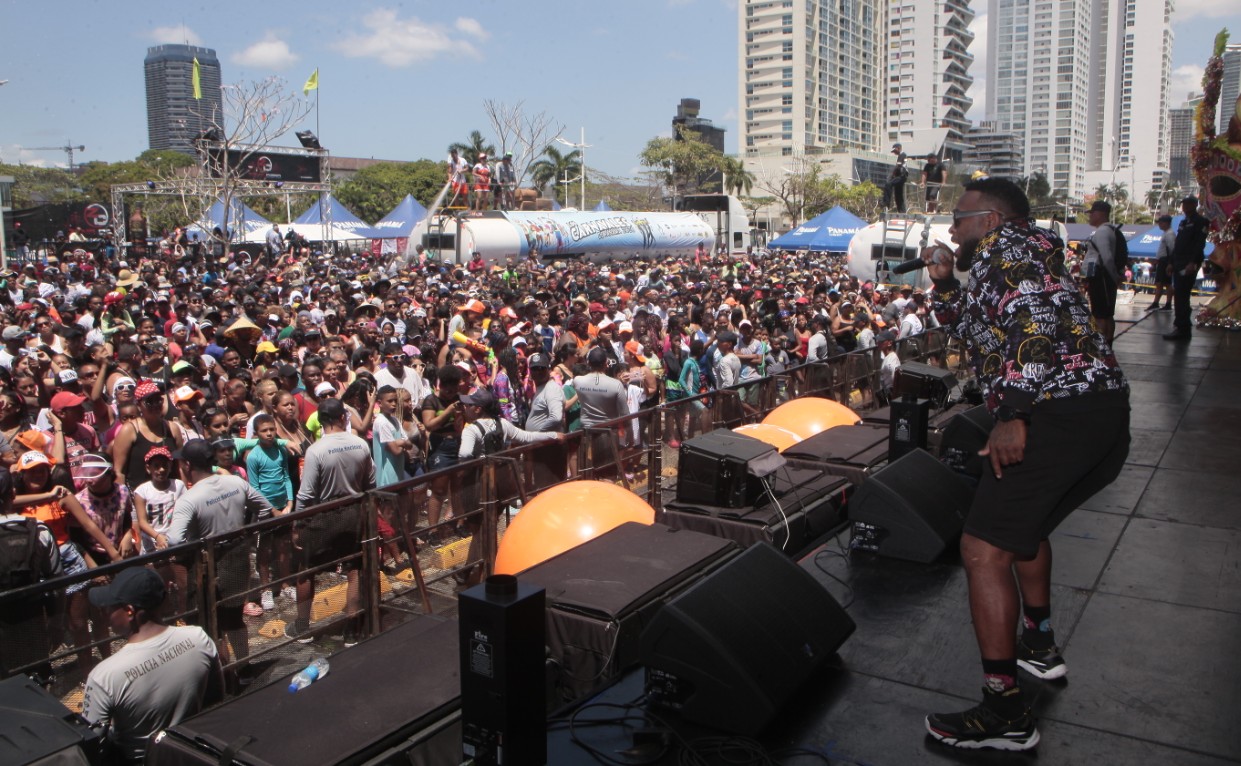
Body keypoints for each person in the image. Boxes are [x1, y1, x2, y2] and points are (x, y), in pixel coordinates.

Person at [920, 177, 1130, 751]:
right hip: (1098, 413)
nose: (951, 229)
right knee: (1024, 529)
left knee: (983, 549)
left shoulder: (1004, 253)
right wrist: (943, 284)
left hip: (1055, 412)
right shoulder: (1028, 254)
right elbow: (968, 329)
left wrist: (1014, 412)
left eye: (959, 219)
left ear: (989, 220)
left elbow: (1033, 325)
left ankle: (1005, 710)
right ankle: (1038, 647)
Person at [82, 567, 223, 763]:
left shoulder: (104, 676)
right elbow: (217, 701)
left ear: (129, 611)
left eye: (110, 607)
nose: (105, 613)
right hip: (196, 756)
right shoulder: (199, 638)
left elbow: (91, 747)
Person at [165, 439, 273, 666]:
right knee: (234, 618)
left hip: (207, 565)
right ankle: (243, 667)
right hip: (237, 556)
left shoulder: (189, 499)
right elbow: (264, 508)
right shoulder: (235, 482)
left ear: (186, 465)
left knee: (210, 626)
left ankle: (222, 674)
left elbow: (174, 539)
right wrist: (251, 534)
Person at [288, 398, 375, 647]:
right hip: (354, 511)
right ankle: (351, 628)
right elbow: (371, 482)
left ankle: (303, 627)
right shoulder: (360, 444)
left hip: (324, 514)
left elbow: (305, 495)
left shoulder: (316, 450)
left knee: (306, 570)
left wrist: (298, 525)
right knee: (354, 568)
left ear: (321, 421)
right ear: (343, 418)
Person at [1163, 196, 1210, 341]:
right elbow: (1178, 245)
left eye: (1188, 204)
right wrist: (1171, 262)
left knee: (1182, 295)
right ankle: (1181, 326)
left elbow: (1198, 244)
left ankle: (1182, 328)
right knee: (1179, 295)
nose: (1185, 206)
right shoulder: (1183, 222)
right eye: (1184, 204)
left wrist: (1193, 262)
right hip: (1178, 261)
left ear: (1195, 205)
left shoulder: (1200, 221)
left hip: (1188, 263)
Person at [1083, 199, 1120, 344]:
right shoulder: (1106, 231)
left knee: (1100, 314)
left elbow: (1107, 258)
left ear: (1101, 214)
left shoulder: (1103, 232)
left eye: (1092, 213)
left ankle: (1101, 345)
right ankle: (1107, 343)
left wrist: (1113, 276)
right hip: (1102, 275)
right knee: (1106, 313)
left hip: (1101, 276)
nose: (1090, 216)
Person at [1146, 214, 1175, 311]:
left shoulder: (1169, 234)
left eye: (1161, 223)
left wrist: (1170, 263)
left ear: (1166, 223)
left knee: (1166, 283)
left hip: (1166, 260)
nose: (1159, 225)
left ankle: (1167, 303)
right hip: (1162, 260)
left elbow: (1172, 249)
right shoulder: (1166, 233)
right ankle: (1156, 302)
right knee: (1160, 283)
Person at [882, 143, 909, 213]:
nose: (894, 152)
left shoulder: (902, 155)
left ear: (899, 148)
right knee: (898, 195)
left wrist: (891, 176)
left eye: (895, 150)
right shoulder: (901, 156)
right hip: (900, 176)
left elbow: (898, 166)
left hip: (901, 176)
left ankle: (886, 203)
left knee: (888, 184)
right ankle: (902, 211)